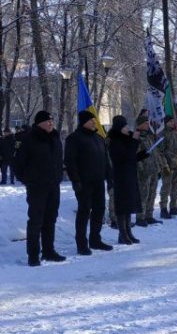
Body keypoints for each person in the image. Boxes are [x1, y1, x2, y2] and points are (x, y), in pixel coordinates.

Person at [14, 111, 66, 266]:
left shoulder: (55, 139)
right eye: (47, 121)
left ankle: (49, 251)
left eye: (52, 120)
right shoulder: (29, 139)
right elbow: (18, 165)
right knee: (36, 221)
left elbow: (58, 160)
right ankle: (33, 255)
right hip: (37, 187)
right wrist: (29, 181)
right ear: (39, 123)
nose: (51, 123)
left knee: (50, 219)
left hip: (53, 186)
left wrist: (57, 177)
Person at [64, 110, 114, 255]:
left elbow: (105, 160)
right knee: (84, 211)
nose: (94, 122)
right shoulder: (74, 138)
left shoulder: (98, 138)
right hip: (84, 182)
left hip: (98, 181)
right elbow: (70, 161)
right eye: (91, 120)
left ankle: (95, 239)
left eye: (94, 120)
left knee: (99, 210)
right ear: (84, 122)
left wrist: (110, 177)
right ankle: (81, 243)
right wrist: (75, 181)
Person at [108, 116, 150, 243]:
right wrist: (134, 140)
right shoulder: (114, 141)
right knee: (122, 206)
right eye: (125, 127)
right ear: (119, 128)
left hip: (130, 174)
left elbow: (131, 157)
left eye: (127, 126)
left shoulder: (126, 139)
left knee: (129, 204)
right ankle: (123, 234)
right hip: (120, 176)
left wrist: (142, 155)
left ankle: (128, 232)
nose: (127, 129)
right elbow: (123, 156)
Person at [135, 115, 166, 227]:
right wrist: (141, 170)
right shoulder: (137, 138)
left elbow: (155, 153)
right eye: (145, 123)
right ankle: (140, 217)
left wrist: (159, 167)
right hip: (144, 172)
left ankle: (149, 215)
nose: (147, 125)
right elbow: (136, 157)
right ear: (139, 124)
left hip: (153, 170)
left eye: (148, 123)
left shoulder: (149, 137)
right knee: (143, 194)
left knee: (152, 194)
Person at [159, 115, 177, 218]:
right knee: (166, 187)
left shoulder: (174, 133)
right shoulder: (162, 134)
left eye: (173, 121)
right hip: (168, 165)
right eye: (170, 121)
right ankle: (163, 208)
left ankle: (173, 207)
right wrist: (164, 165)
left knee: (176, 187)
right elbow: (160, 152)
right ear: (166, 122)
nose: (173, 123)